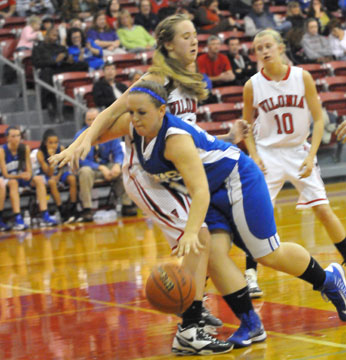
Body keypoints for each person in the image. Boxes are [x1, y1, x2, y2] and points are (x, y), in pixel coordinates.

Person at [49, 14, 268, 355]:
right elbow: (111, 114)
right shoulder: (156, 78)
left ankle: (192, 308)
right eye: (185, 36)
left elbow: (187, 133)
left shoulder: (191, 79)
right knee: (199, 238)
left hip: (170, 171)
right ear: (168, 44)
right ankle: (190, 327)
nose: (194, 41)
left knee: (201, 240)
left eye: (195, 34)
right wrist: (81, 142)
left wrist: (224, 136)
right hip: (146, 172)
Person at [242, 29, 346, 297]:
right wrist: (253, 155)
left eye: (268, 46)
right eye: (258, 48)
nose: (264, 51)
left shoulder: (302, 77)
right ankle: (250, 275)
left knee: (323, 210)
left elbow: (319, 119)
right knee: (256, 215)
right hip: (267, 154)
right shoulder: (252, 85)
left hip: (299, 151)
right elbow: (245, 126)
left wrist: (311, 156)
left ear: (279, 47)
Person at [75, 108, 135, 222]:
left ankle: (127, 205)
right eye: (89, 119)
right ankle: (87, 209)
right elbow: (80, 160)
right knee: (84, 172)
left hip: (107, 165)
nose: (92, 122)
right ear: (85, 121)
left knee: (125, 168)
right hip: (91, 169)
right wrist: (100, 168)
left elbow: (118, 152)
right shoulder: (80, 135)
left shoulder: (110, 132)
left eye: (95, 119)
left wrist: (117, 164)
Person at [0, 126, 57, 230]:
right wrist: (20, 175)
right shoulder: (2, 151)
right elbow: (5, 174)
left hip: (21, 177)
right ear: (7, 138)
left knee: (39, 179)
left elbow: (29, 171)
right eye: (13, 136)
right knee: (13, 182)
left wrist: (28, 175)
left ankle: (45, 214)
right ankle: (18, 218)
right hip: (8, 179)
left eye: (18, 135)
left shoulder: (24, 148)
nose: (17, 138)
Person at [37, 129, 78, 224]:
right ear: (44, 143)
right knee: (51, 182)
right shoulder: (40, 153)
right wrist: (52, 158)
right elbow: (49, 173)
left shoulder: (61, 149)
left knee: (72, 178)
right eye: (50, 143)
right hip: (46, 175)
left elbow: (63, 167)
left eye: (55, 142)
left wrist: (59, 176)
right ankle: (61, 209)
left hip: (59, 173)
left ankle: (73, 207)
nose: (53, 145)